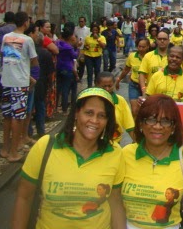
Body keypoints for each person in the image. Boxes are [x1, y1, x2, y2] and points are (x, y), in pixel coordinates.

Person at [12, 87, 126, 228]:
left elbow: (115, 201)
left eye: (102, 116)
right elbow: (24, 197)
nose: (94, 120)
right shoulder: (45, 147)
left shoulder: (115, 153)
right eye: (89, 113)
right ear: (76, 114)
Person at [122, 94, 183, 229]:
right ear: (141, 123)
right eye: (151, 120)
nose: (158, 127)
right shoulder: (125, 154)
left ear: (173, 127)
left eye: (165, 121)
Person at [0, 11, 38, 163]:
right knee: (18, 116)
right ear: (25, 23)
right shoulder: (27, 40)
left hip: (6, 80)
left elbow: (6, 57)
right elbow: (34, 61)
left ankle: (5, 148)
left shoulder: (6, 37)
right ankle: (14, 152)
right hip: (20, 82)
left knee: (7, 115)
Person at [95, 71, 135, 144]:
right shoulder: (92, 102)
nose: (107, 89)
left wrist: (136, 142)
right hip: (95, 143)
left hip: (115, 143)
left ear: (114, 84)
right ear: (97, 85)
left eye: (109, 86)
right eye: (104, 86)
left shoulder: (120, 101)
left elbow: (129, 123)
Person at [116, 37, 150, 116]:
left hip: (148, 87)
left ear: (148, 46)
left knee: (146, 111)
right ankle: (135, 127)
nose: (141, 49)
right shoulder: (132, 56)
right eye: (139, 46)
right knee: (135, 110)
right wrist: (118, 79)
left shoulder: (151, 57)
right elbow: (126, 69)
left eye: (143, 47)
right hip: (134, 85)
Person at [138, 30, 170, 98]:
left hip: (168, 95)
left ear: (168, 41)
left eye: (164, 39)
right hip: (151, 95)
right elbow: (142, 74)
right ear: (156, 40)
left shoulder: (173, 57)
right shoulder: (148, 56)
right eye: (160, 39)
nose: (162, 41)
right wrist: (144, 90)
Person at [55, 25, 79, 115]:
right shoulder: (69, 47)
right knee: (65, 90)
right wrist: (78, 48)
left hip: (59, 67)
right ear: (69, 37)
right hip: (68, 68)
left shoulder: (58, 43)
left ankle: (56, 107)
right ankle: (64, 109)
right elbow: (75, 56)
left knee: (58, 89)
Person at [83, 23, 106, 88]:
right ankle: (89, 86)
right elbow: (85, 46)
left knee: (97, 72)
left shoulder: (102, 37)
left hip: (97, 57)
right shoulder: (87, 38)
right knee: (89, 72)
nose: (94, 32)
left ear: (98, 31)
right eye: (93, 30)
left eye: (96, 30)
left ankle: (97, 85)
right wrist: (86, 47)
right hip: (88, 56)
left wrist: (98, 39)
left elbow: (103, 46)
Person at [73, 17, 90, 82]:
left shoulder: (88, 30)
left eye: (82, 21)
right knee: (75, 63)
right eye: (80, 21)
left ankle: (80, 76)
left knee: (82, 64)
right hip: (76, 48)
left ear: (85, 22)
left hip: (83, 49)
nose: (81, 23)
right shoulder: (75, 29)